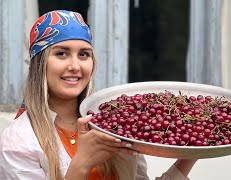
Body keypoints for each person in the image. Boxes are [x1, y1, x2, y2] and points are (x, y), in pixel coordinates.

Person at [0, 10, 197, 179]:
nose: (75, 66)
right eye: (61, 53)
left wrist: (192, 152)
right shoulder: (18, 142)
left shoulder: (115, 123)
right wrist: (81, 164)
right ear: (40, 64)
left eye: (84, 54)